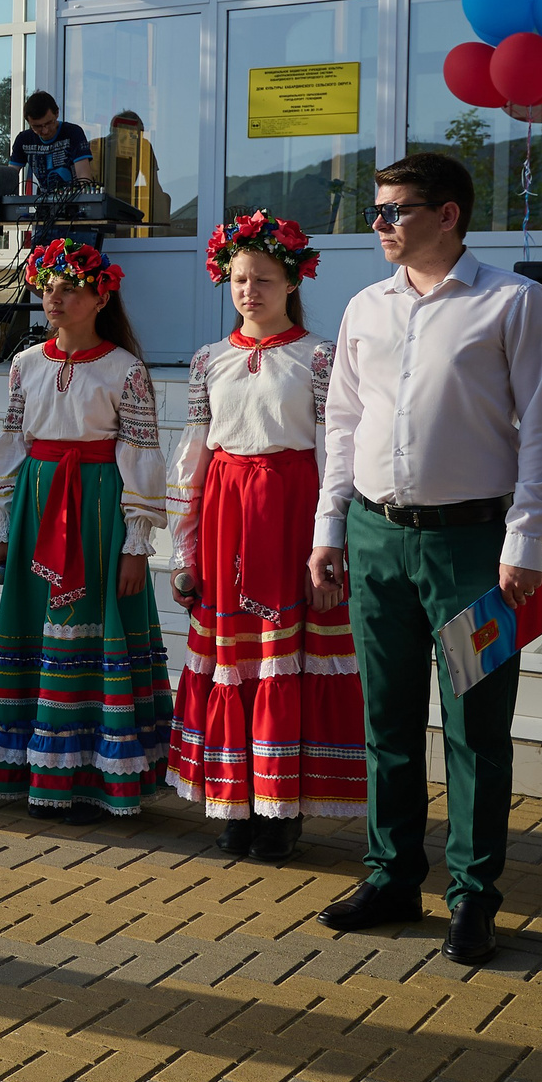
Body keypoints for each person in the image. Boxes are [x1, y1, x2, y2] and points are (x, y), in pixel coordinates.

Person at [309, 153, 542, 968]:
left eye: (395, 211)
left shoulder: (514, 303)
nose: (380, 225)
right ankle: (391, 876)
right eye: (376, 212)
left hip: (473, 551)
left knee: (474, 730)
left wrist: (524, 542)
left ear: (448, 214)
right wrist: (329, 529)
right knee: (385, 719)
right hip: (378, 540)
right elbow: (343, 424)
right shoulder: (365, 307)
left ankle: (474, 897)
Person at [165, 211, 355, 859]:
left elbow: (336, 451)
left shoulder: (319, 356)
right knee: (233, 664)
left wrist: (332, 549)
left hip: (290, 513)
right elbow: (193, 455)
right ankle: (236, 803)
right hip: (224, 518)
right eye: (240, 278)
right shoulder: (208, 359)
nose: (250, 290)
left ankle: (281, 811)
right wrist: (183, 550)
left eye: (264, 278)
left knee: (283, 661)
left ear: (293, 280)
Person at [0, 239, 170, 822]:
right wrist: (5, 526)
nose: (54, 300)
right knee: (38, 630)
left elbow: (141, 451)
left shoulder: (124, 369)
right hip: (39, 503)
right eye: (48, 289)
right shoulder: (26, 363)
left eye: (69, 290)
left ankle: (91, 776)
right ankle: (38, 768)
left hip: (98, 509)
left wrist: (137, 542)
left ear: (100, 297)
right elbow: (13, 443)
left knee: (89, 631)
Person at [11, 89, 100, 253]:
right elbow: (9, 176)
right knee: (39, 272)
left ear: (57, 113)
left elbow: (84, 177)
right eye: (36, 127)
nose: (44, 131)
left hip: (75, 217)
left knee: (77, 271)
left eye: (49, 123)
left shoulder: (73, 133)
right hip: (45, 216)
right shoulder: (24, 139)